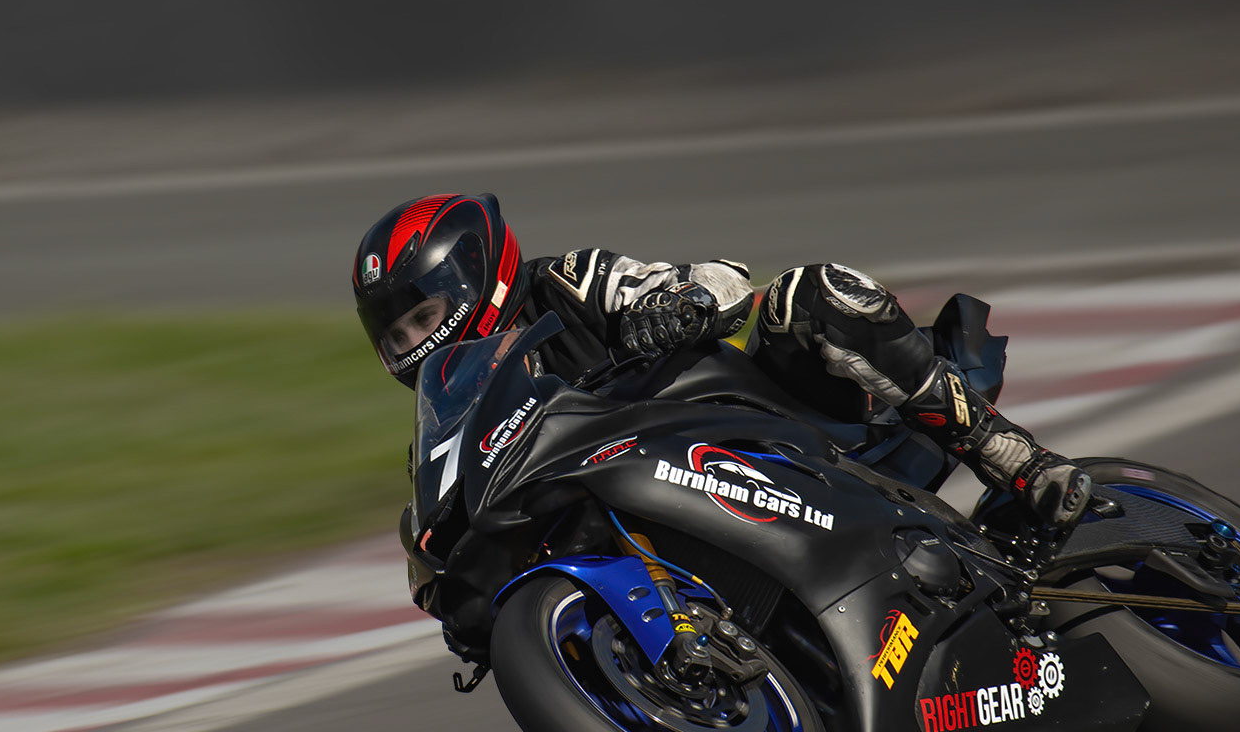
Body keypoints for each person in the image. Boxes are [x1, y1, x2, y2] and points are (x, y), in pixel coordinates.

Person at [352, 192, 1091, 531]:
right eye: (395, 333)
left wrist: (678, 304)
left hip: (774, 435)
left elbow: (722, 279)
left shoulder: (570, 284)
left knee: (811, 294)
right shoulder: (453, 413)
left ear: (474, 277)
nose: (412, 340)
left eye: (422, 315)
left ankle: (1011, 457)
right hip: (670, 512)